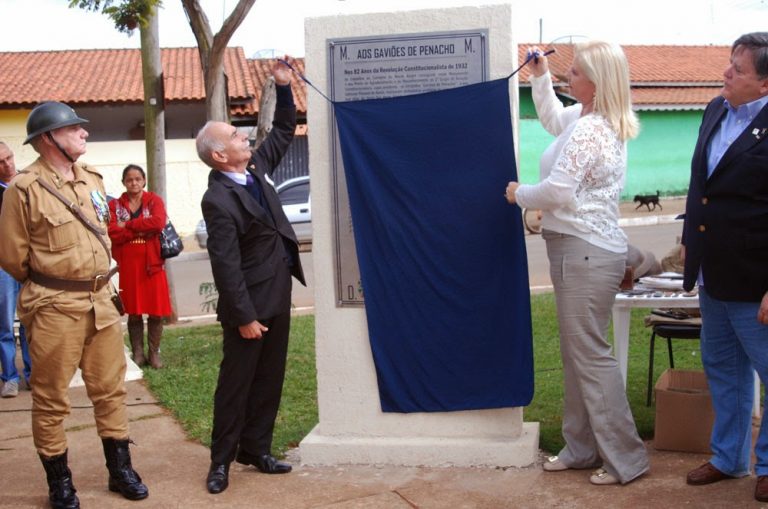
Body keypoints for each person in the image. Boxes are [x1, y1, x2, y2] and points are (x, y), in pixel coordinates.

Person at [505, 41, 648, 485]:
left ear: (598, 82)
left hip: (583, 251)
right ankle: (581, 448)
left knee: (590, 357)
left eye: (579, 72)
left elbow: (557, 191)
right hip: (583, 249)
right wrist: (540, 77)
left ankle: (626, 458)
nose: (571, 76)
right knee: (578, 355)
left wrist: (519, 195)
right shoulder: (586, 118)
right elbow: (552, 118)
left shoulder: (591, 129)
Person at [0, 101, 148, 507]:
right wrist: (56, 281)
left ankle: (120, 470)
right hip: (54, 307)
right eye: (73, 128)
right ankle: (60, 482)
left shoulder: (92, 179)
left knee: (111, 390)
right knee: (51, 399)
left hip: (102, 302)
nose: (84, 132)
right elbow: (12, 257)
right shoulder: (24, 189)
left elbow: (104, 230)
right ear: (49, 138)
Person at [196, 57, 305, 495]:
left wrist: (282, 87)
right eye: (236, 136)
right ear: (219, 155)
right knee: (236, 386)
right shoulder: (217, 199)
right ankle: (220, 462)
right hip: (248, 306)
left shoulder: (256, 169)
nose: (245, 136)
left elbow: (283, 130)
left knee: (269, 380)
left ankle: (256, 449)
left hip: (277, 294)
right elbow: (225, 264)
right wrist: (244, 316)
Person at [681, 32, 768, 503]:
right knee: (723, 367)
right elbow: (702, 184)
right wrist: (689, 242)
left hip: (756, 279)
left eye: (738, 69)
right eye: (729, 63)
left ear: (765, 83)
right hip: (713, 272)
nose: (726, 73)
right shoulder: (716, 109)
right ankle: (729, 457)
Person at [108, 164, 171, 369]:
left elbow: (158, 223)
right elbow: (112, 232)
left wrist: (128, 225)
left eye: (137, 179)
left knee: (156, 310)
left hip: (152, 263)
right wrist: (143, 228)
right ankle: (138, 353)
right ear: (123, 182)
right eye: (129, 179)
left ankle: (154, 353)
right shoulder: (115, 205)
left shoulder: (154, 201)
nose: (134, 183)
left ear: (144, 181)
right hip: (128, 265)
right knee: (133, 311)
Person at [0, 141, 31, 398]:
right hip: (2, 266)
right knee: (5, 324)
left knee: (32, 319)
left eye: (9, 158)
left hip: (30, 262)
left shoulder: (27, 183)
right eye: (0, 162)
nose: (7, 164)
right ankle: (9, 377)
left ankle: (33, 374)